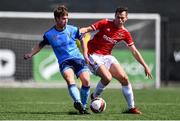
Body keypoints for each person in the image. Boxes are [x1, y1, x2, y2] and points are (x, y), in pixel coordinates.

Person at [80, 7, 153, 114]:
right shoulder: (105, 22)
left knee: (124, 78)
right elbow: (86, 29)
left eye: (122, 18)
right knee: (107, 78)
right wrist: (77, 32)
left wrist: (145, 65)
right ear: (115, 16)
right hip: (92, 55)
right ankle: (95, 96)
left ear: (126, 18)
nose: (120, 20)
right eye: (118, 17)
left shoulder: (125, 33)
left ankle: (131, 108)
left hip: (106, 56)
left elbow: (134, 51)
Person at [24, 5, 90, 114]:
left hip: (78, 59)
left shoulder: (73, 29)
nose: (66, 20)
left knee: (86, 81)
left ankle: (83, 106)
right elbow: (41, 44)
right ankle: (78, 102)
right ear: (57, 19)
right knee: (70, 79)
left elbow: (82, 39)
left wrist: (85, 54)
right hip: (65, 62)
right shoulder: (49, 34)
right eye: (63, 18)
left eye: (66, 18)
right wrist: (31, 54)